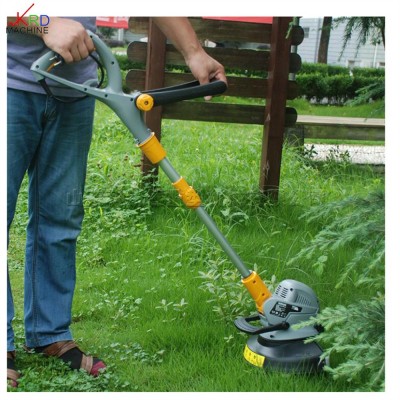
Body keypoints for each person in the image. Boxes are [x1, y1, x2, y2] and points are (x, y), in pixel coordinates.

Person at [7, 16, 226, 387]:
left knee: (60, 217)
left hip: (75, 90)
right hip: (10, 83)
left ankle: (50, 333)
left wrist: (194, 52)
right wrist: (43, 25)